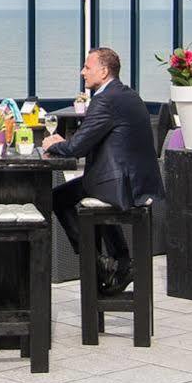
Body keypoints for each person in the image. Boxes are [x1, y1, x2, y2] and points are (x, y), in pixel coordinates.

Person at [42, 47, 164, 295]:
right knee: (85, 190)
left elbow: (77, 147)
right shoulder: (128, 94)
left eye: (87, 67)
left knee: (57, 198)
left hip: (119, 184)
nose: (82, 72)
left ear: (104, 71)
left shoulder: (105, 100)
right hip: (137, 182)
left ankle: (97, 264)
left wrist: (53, 144)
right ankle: (120, 259)